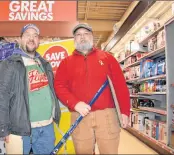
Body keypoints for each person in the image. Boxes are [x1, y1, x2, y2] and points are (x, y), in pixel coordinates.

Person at [54, 23, 130, 154]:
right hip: (79, 116)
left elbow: (120, 86)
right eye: (78, 35)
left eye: (86, 34)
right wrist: (75, 103)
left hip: (107, 115)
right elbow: (59, 86)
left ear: (92, 36)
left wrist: (125, 111)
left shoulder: (107, 58)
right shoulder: (66, 63)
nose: (82, 37)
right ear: (74, 39)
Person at [0, 24, 61, 154]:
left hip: (47, 127)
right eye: (27, 35)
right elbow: (0, 97)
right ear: (20, 39)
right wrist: (2, 129)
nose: (31, 38)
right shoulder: (9, 64)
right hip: (20, 129)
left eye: (35, 36)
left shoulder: (44, 64)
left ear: (39, 40)